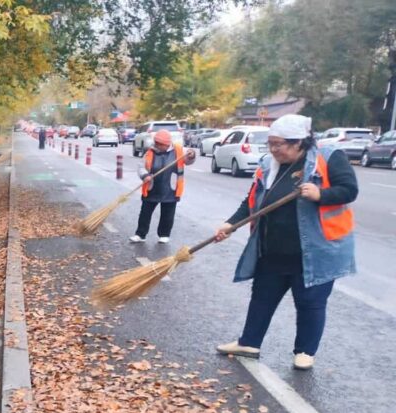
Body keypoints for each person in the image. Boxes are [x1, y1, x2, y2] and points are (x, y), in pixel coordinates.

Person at [214, 114, 357, 370]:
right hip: (273, 249)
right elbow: (253, 199)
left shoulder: (328, 157)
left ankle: (304, 352)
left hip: (315, 251)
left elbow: (349, 189)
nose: (274, 149)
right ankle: (249, 342)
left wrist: (320, 194)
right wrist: (231, 223)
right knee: (262, 297)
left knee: (310, 302)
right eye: (271, 143)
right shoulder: (270, 164)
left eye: (279, 144)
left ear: (299, 142)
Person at [130, 129, 196, 244]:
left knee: (168, 214)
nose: (160, 147)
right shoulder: (150, 152)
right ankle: (140, 234)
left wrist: (192, 155)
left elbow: (189, 160)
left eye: (162, 145)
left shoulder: (179, 150)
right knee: (145, 213)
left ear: (167, 144)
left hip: (171, 188)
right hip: (152, 187)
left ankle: (164, 234)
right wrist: (145, 175)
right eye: (158, 144)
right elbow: (141, 166)